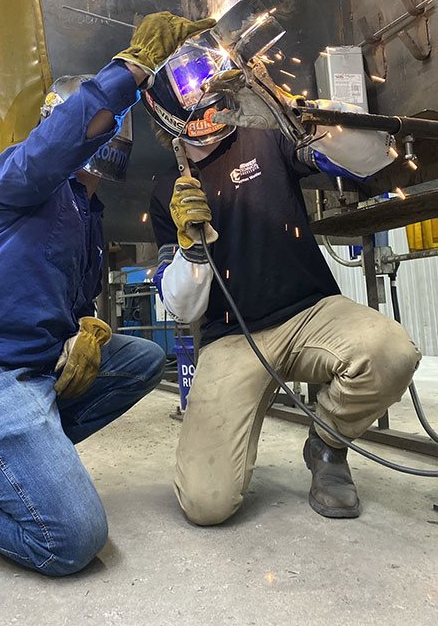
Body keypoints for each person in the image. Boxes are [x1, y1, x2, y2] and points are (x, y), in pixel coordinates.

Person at [0, 12, 216, 576]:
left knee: (141, 360)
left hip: (23, 368)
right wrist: (131, 69)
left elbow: (70, 310)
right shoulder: (22, 179)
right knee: (73, 538)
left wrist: (86, 328)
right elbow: (58, 146)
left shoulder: (89, 221)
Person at [146, 49, 421, 525]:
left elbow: (369, 160)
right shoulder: (168, 191)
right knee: (205, 505)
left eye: (219, 99)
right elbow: (181, 307)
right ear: (173, 118)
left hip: (310, 313)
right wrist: (191, 249)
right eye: (204, 104)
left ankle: (328, 447)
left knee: (391, 352)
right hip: (232, 340)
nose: (216, 110)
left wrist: (304, 115)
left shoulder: (265, 138)